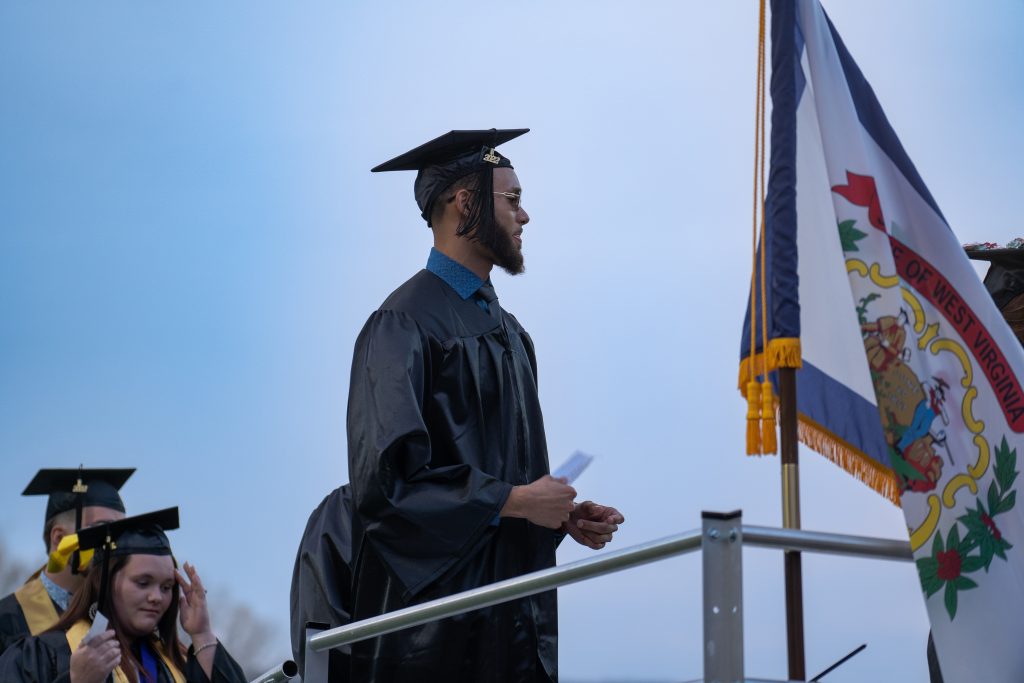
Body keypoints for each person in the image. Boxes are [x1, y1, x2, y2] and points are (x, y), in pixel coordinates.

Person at [346, 128, 624, 682]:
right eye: (513, 199)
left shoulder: (512, 335)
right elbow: (387, 484)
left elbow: (505, 483)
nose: (525, 217)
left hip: (515, 623)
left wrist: (554, 515)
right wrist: (515, 500)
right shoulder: (402, 324)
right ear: (465, 202)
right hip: (434, 637)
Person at [0, 507, 248, 683]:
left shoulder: (174, 662)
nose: (157, 597)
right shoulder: (40, 656)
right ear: (104, 583)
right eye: (143, 583)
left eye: (166, 587)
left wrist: (201, 632)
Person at [0, 468, 134, 656]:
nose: (112, 542)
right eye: (101, 529)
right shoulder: (8, 620)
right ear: (59, 538)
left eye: (119, 532)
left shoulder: (117, 615)